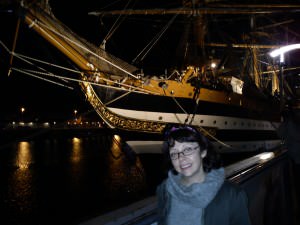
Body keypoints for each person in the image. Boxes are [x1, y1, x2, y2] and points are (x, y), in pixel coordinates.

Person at [156, 124, 252, 225]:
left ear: (203, 152)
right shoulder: (165, 191)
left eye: (187, 150)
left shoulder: (233, 195)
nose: (181, 158)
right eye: (174, 154)